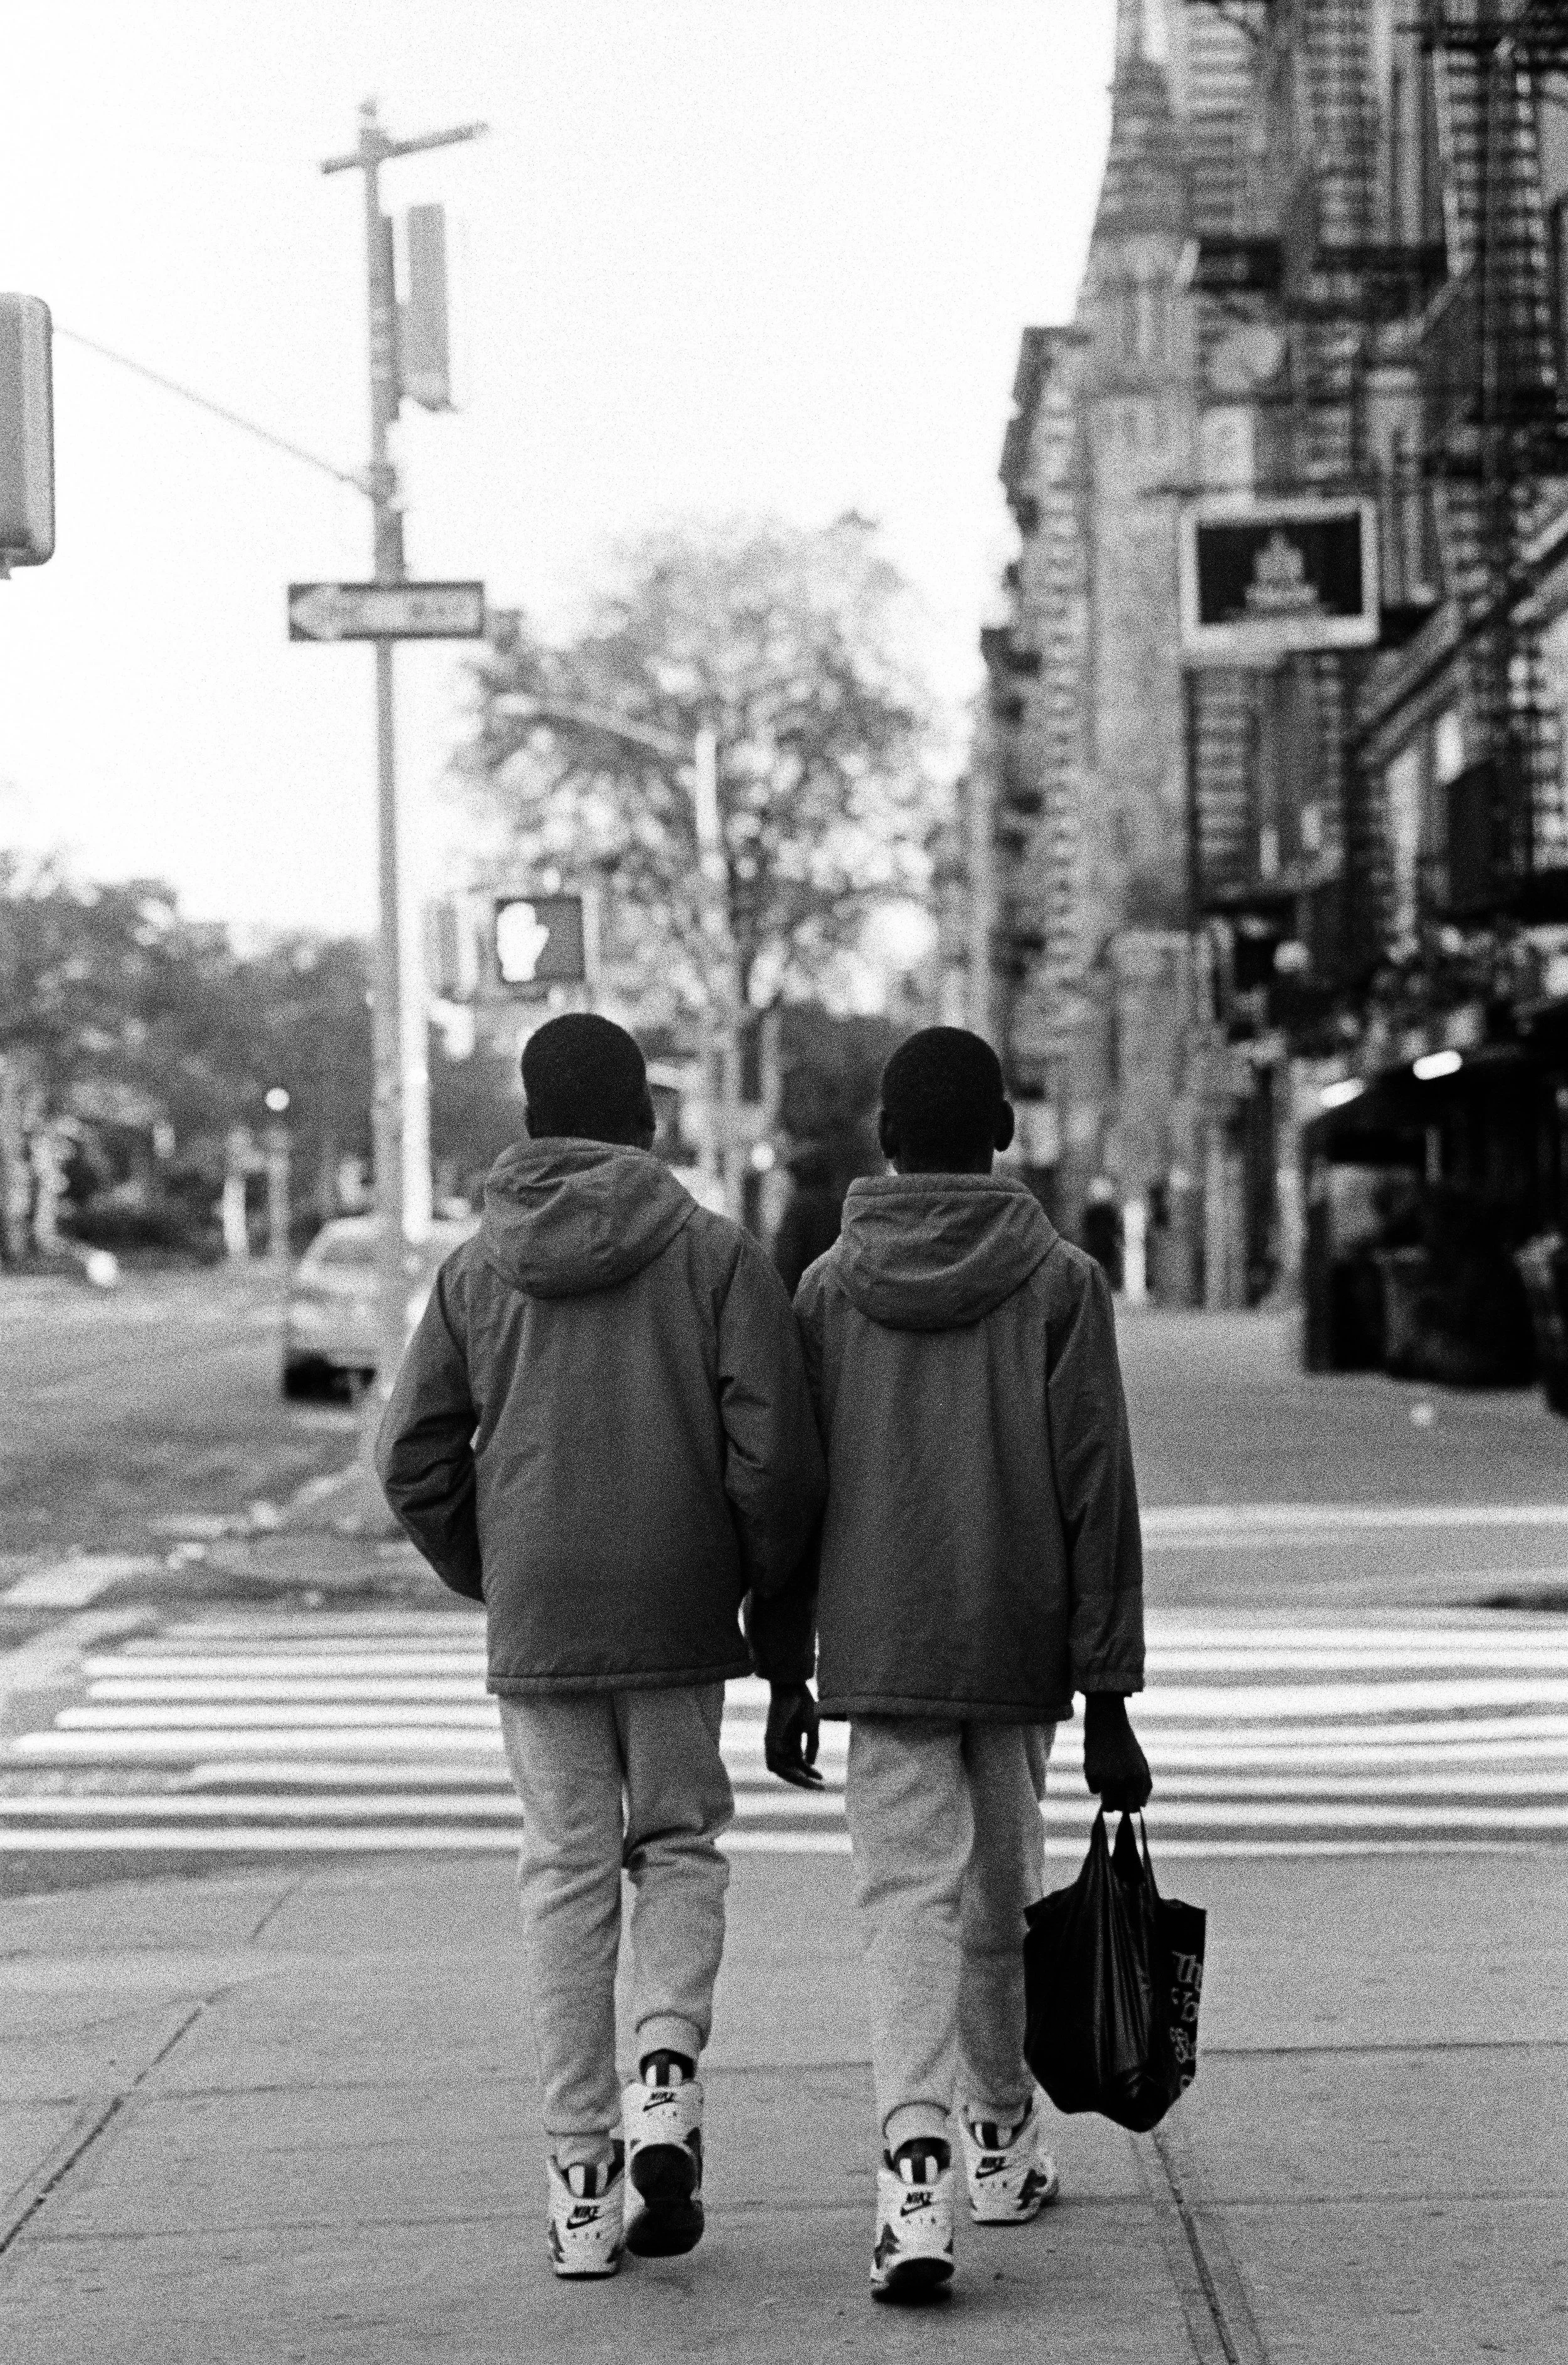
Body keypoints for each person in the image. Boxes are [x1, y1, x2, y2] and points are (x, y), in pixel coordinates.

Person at [376, 1013, 826, 2281]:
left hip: (541, 1614)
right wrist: (743, 1577)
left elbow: (409, 1457)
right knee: (677, 1843)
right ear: (644, 1120)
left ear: (528, 1123)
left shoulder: (474, 1274)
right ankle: (666, 2076)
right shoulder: (714, 1259)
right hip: (678, 1607)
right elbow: (776, 1459)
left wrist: (496, 1567)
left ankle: (580, 2183)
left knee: (564, 1874)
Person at [790, 1026, 1150, 2303]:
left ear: (884, 1136)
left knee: (904, 1904)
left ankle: (913, 2166)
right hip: (1014, 1641)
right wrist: (1109, 1694)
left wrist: (786, 1660)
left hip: (879, 1649)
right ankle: (999, 2139)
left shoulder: (828, 1291)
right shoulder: (1059, 1282)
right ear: (1001, 1130)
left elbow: (791, 1489)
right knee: (1002, 1895)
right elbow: (1093, 1490)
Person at [771, 1142, 844, 1297]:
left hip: (804, 1295)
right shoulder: (838, 1205)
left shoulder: (798, 1208)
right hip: (834, 1294)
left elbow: (787, 1259)